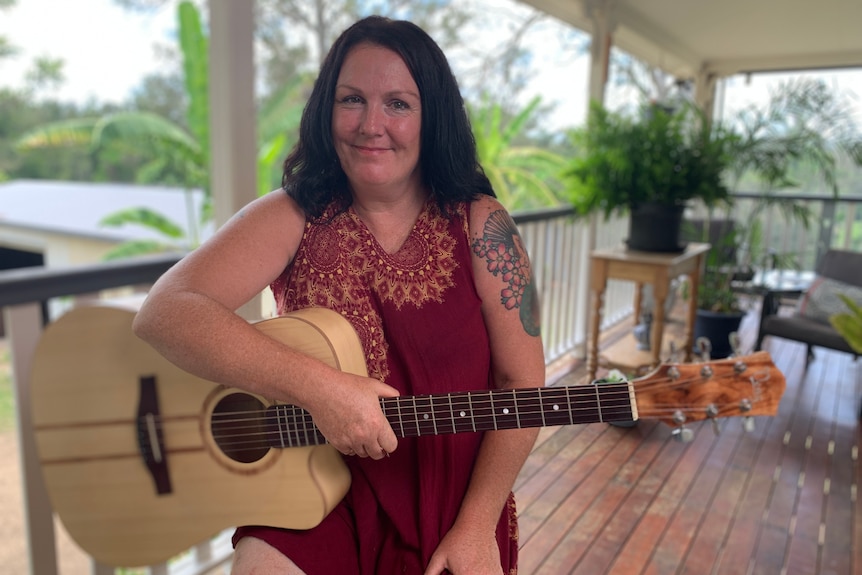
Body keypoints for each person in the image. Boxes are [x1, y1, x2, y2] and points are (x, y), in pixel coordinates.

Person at [132, 15, 545, 575]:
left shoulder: (482, 225)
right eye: (352, 99)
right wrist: (322, 390)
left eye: (398, 103)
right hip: (311, 484)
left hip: (453, 499)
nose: (371, 124)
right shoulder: (291, 214)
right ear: (326, 111)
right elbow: (164, 311)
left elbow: (521, 384)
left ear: (433, 118)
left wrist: (475, 528)